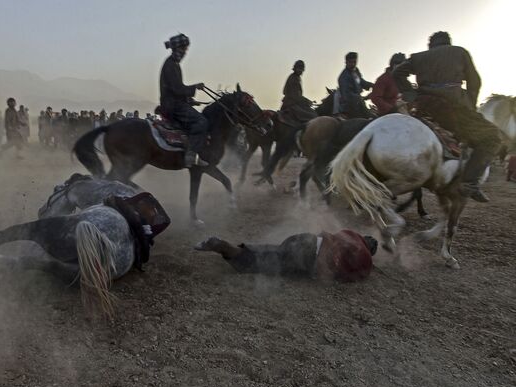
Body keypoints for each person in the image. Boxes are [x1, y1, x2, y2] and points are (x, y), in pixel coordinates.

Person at [393, 31, 502, 202]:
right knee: (492, 137)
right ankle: (469, 183)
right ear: (448, 43)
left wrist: (410, 93)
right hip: (453, 108)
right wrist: (470, 104)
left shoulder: (418, 57)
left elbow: (397, 73)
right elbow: (475, 81)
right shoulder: (459, 52)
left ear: (431, 45)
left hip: (424, 106)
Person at [195, 229, 377, 282]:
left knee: (270, 252)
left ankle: (235, 248)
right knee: (258, 264)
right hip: (307, 257)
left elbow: (326, 234)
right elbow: (345, 274)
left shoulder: (351, 234)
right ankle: (222, 246)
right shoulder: (365, 259)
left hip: (306, 239)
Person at [159, 33, 209, 167]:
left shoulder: (173, 64)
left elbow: (175, 90)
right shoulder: (171, 65)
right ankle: (191, 154)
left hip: (174, 102)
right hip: (172, 106)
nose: (185, 52)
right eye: (184, 49)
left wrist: (189, 100)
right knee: (201, 121)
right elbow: (176, 89)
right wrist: (195, 87)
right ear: (178, 49)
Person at [280, 60, 318, 124]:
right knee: (313, 115)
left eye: (301, 69)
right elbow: (296, 96)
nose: (301, 71)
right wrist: (308, 102)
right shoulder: (294, 79)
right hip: (291, 105)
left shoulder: (295, 77)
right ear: (295, 68)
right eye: (299, 69)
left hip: (294, 103)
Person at [338, 52, 373, 118]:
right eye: (350, 62)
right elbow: (347, 94)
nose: (353, 64)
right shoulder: (343, 77)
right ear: (346, 62)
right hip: (349, 107)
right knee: (370, 117)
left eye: (354, 62)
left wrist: (372, 85)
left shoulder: (355, 71)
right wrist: (360, 98)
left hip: (358, 102)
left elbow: (361, 82)